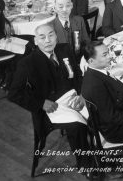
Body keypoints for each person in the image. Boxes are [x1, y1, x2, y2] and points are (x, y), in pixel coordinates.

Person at [8, 24, 91, 169]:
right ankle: (86, 165)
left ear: (56, 37)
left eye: (51, 35)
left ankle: (100, 152)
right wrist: (40, 103)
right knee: (76, 127)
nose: (48, 40)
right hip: (52, 107)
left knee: (97, 111)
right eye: (42, 37)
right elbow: (14, 93)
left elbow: (77, 75)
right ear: (36, 41)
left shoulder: (64, 49)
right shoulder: (27, 63)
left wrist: (82, 94)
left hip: (74, 97)